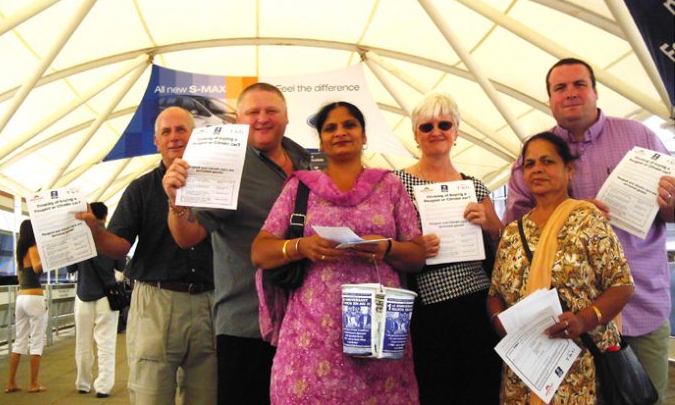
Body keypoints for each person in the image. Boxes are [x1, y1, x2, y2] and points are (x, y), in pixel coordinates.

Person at [504, 58, 675, 404]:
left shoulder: (639, 137)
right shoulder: (535, 153)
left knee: (643, 398)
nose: (570, 94)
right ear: (549, 99)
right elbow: (516, 229)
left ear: (595, 92)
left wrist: (670, 203)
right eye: (560, 88)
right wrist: (570, 216)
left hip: (641, 308)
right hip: (567, 322)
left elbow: (669, 212)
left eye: (579, 85)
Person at [251, 101, 426, 404]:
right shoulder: (300, 188)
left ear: (364, 136)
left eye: (349, 125)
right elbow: (260, 251)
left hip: (378, 332)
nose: (340, 132)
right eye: (330, 128)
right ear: (320, 141)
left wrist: (386, 247)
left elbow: (417, 255)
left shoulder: (389, 186)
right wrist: (300, 246)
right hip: (312, 336)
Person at [163, 83, 310, 405]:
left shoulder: (307, 163)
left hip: (304, 325)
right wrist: (177, 203)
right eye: (252, 112)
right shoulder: (223, 166)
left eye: (271, 111)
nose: (262, 119)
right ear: (238, 121)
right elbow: (188, 236)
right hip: (245, 325)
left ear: (286, 118)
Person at [77, 106, 216, 405]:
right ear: (156, 141)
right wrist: (96, 232)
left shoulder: (216, 184)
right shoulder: (140, 188)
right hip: (156, 301)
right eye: (166, 131)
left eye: (182, 129)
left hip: (210, 301)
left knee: (207, 396)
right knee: (150, 395)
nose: (174, 137)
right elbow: (120, 246)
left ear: (195, 136)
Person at [489, 132, 635, 404]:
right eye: (530, 164)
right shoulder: (512, 232)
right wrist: (497, 319)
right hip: (524, 367)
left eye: (547, 161)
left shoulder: (587, 219)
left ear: (569, 169)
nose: (537, 169)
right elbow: (495, 292)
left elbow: (622, 285)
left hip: (577, 366)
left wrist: (583, 320)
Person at [392, 92, 503, 404]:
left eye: (444, 124)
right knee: (434, 386)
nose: (436, 132)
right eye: (426, 127)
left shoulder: (475, 185)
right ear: (415, 134)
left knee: (480, 384)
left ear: (456, 132)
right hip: (424, 305)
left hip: (476, 302)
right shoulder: (396, 183)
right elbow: (388, 242)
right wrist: (413, 247)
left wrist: (490, 225)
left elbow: (502, 242)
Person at [67, 202, 125, 398]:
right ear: (106, 217)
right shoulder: (111, 237)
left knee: (82, 342)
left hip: (83, 294)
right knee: (106, 343)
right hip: (107, 297)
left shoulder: (79, 238)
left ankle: (83, 383)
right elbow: (121, 264)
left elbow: (70, 269)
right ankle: (103, 387)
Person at [6, 219, 47, 394]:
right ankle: (33, 383)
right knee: (36, 340)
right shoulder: (33, 248)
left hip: (21, 298)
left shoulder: (19, 253)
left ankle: (10, 383)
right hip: (34, 297)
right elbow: (37, 268)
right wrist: (46, 258)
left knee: (20, 341)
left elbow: (19, 277)